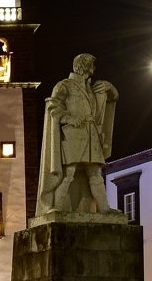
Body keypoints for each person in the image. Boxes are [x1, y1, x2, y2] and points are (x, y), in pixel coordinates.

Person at [36, 53, 121, 217]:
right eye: (92, 65)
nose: (94, 69)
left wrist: (111, 89)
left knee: (95, 174)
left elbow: (112, 99)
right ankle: (57, 208)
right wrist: (69, 118)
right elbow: (53, 107)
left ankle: (104, 208)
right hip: (73, 135)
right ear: (84, 65)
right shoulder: (64, 85)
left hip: (91, 135)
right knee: (69, 173)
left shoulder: (92, 87)